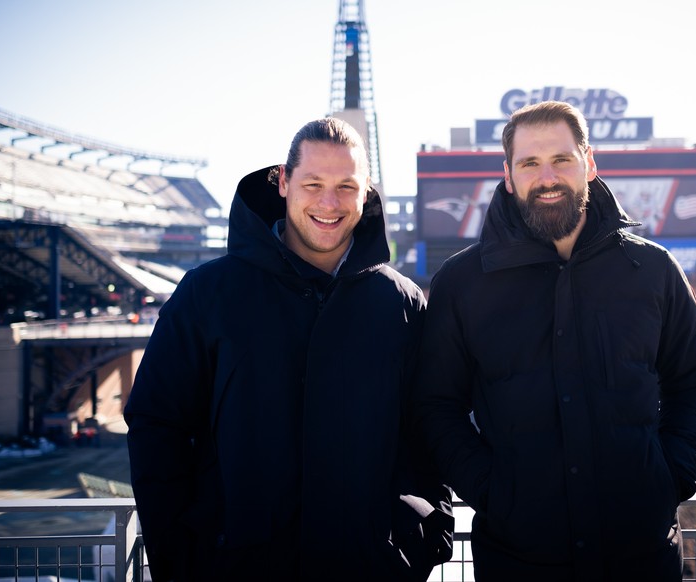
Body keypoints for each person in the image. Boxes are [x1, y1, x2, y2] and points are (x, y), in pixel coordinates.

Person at [125, 117, 453, 581]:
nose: (328, 202)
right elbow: (157, 425)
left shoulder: (401, 302)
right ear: (282, 181)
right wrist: (182, 558)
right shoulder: (209, 292)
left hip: (369, 567)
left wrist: (424, 532)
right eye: (313, 183)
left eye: (346, 186)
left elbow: (428, 428)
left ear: (367, 192)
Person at [413, 101, 696, 581]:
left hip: (641, 558)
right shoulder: (461, 282)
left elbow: (695, 381)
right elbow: (436, 405)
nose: (547, 176)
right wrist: (492, 491)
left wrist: (670, 476)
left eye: (561, 159)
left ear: (589, 162)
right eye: (530, 163)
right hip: (518, 562)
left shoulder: (654, 270)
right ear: (509, 175)